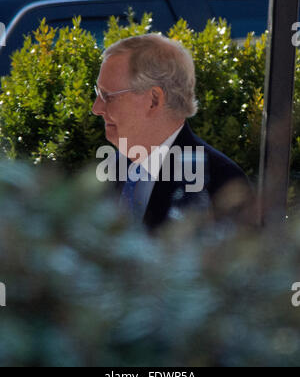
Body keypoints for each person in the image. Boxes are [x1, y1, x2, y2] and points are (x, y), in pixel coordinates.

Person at [92, 34, 254, 232]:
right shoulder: (111, 169)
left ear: (153, 100)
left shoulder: (220, 182)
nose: (96, 107)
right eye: (98, 93)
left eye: (108, 96)